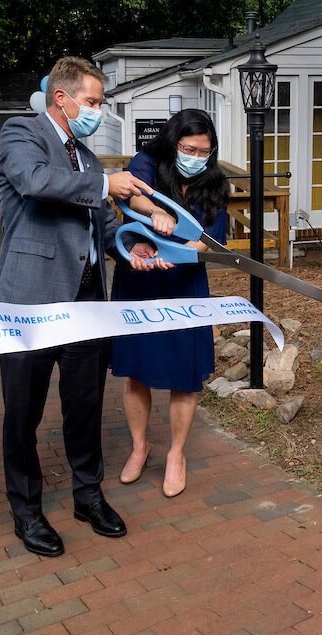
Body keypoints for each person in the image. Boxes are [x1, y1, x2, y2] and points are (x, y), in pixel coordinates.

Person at [0, 56, 163, 558]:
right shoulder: (21, 134)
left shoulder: (87, 159)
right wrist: (107, 184)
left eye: (100, 103)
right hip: (30, 300)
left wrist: (129, 248)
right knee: (22, 413)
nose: (97, 111)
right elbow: (34, 182)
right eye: (92, 102)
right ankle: (27, 511)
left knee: (85, 406)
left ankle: (89, 495)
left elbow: (101, 225)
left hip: (88, 299)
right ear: (61, 99)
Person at [112, 109, 230, 497]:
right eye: (188, 148)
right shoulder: (144, 164)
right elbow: (131, 201)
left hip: (185, 283)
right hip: (140, 279)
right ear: (172, 141)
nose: (196, 157)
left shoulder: (215, 184)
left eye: (204, 151)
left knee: (185, 374)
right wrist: (150, 230)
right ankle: (139, 447)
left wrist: (175, 252)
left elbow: (210, 241)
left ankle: (176, 455)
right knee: (136, 371)